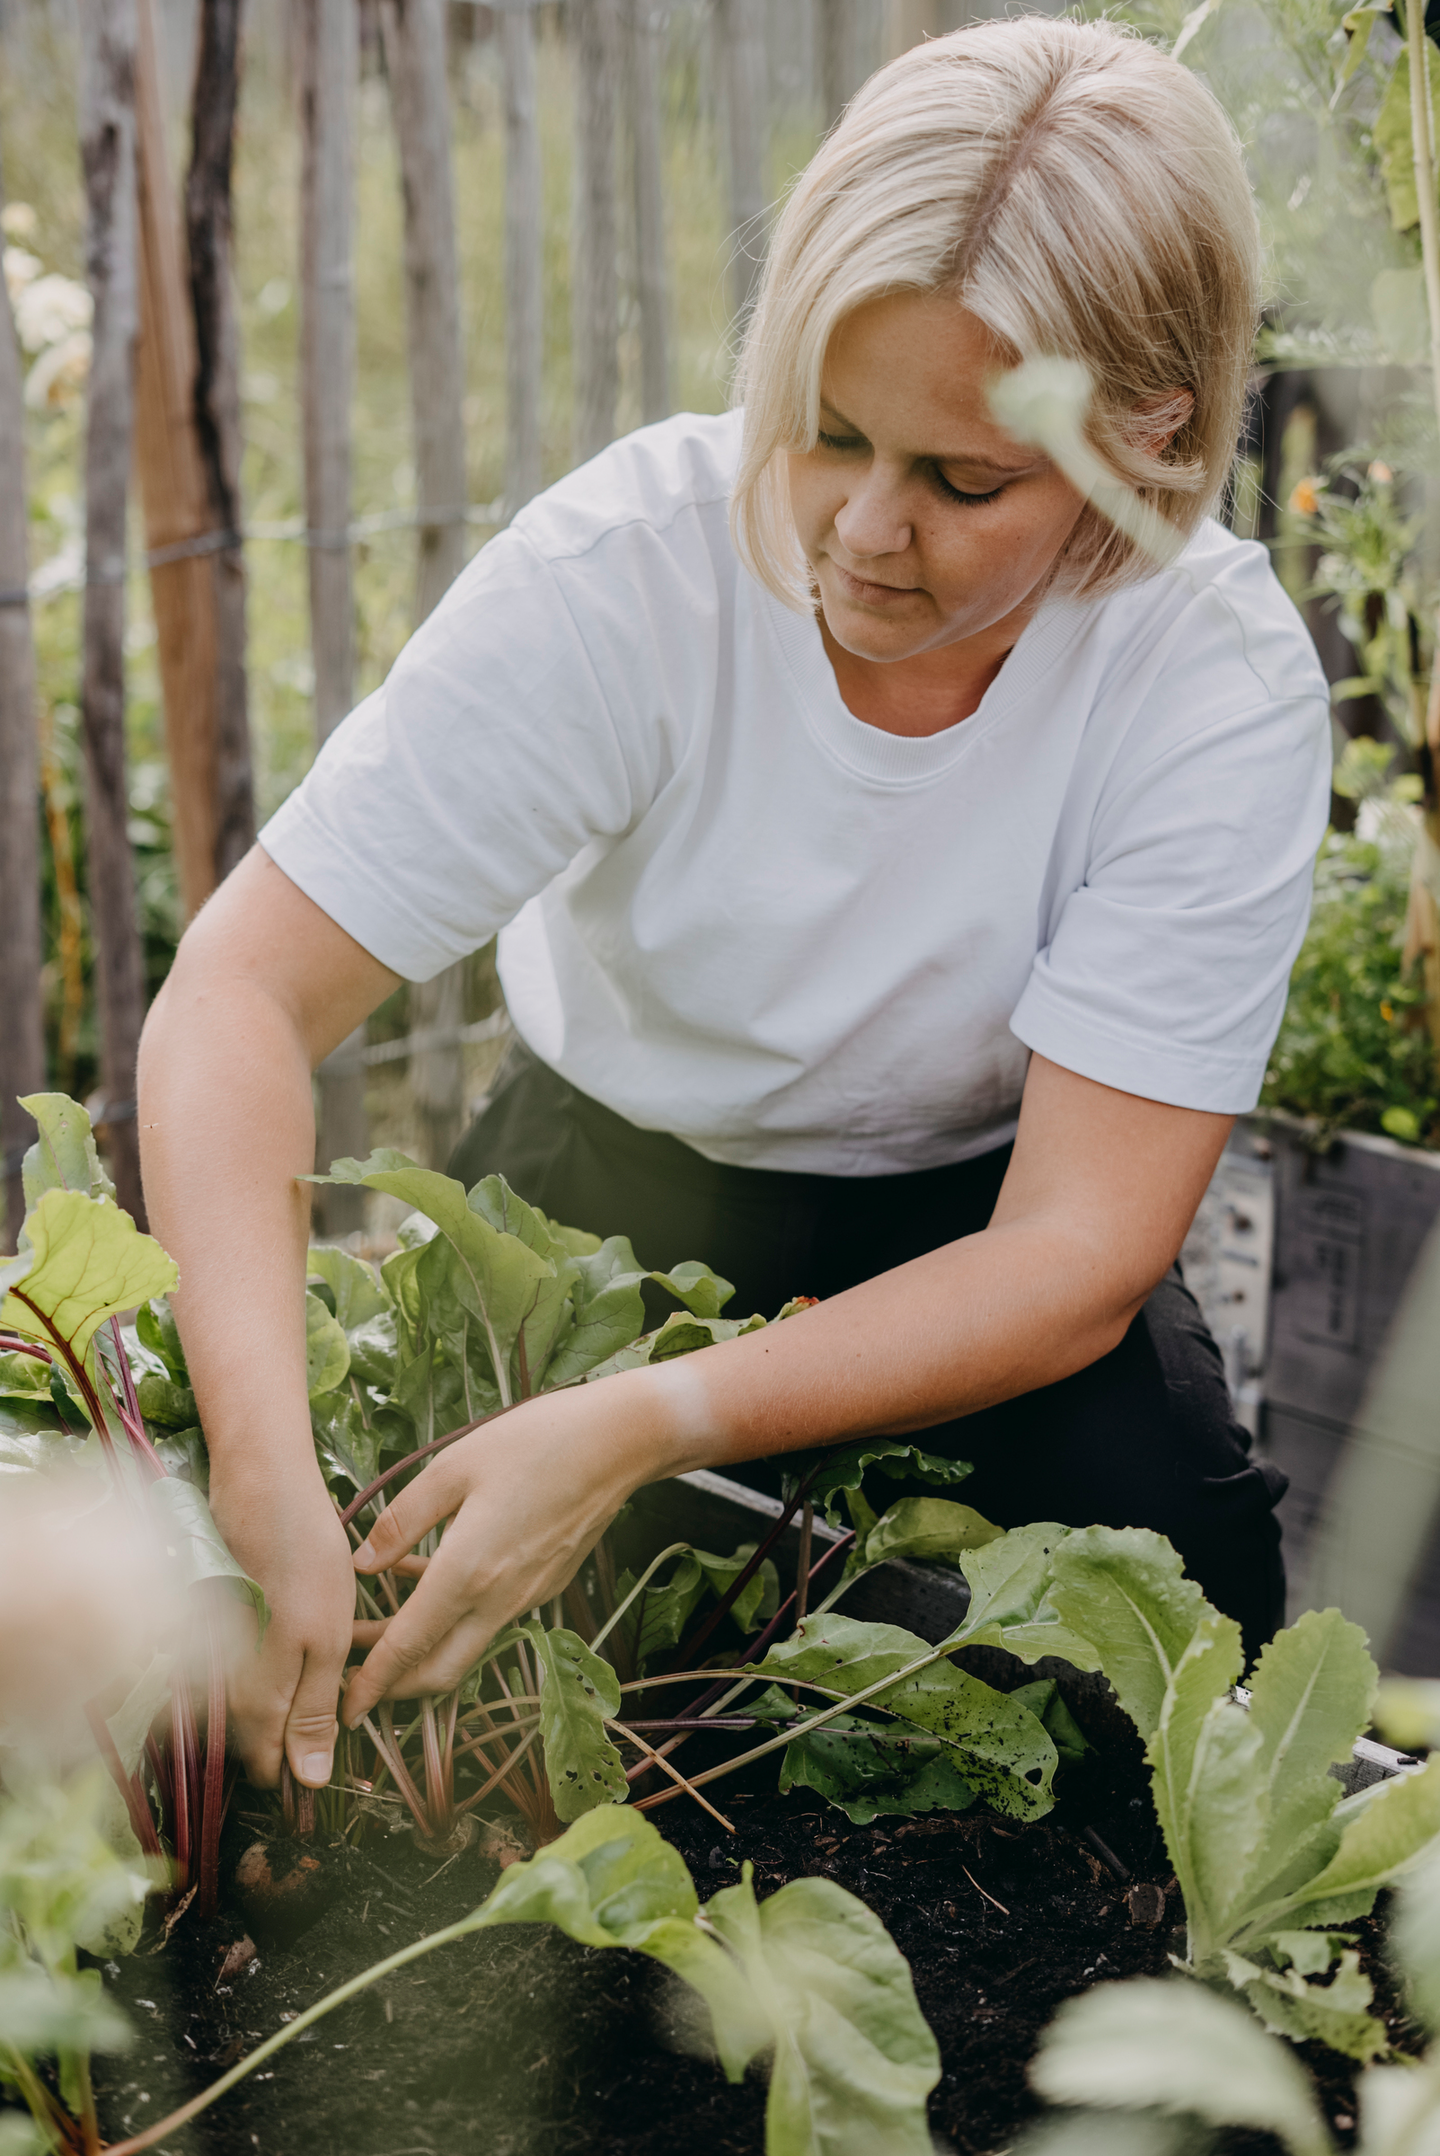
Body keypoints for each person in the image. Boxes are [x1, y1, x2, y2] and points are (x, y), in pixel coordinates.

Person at [137, 14, 1330, 1797]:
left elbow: (1076, 1251)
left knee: (1184, 1674)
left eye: (963, 478)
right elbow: (237, 995)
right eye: (825, 430)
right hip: (605, 1181)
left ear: (1144, 438)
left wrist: (647, 1423)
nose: (861, 527)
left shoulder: (1208, 678)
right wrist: (261, 1457)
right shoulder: (629, 579)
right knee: (464, 1716)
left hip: (977, 1234)